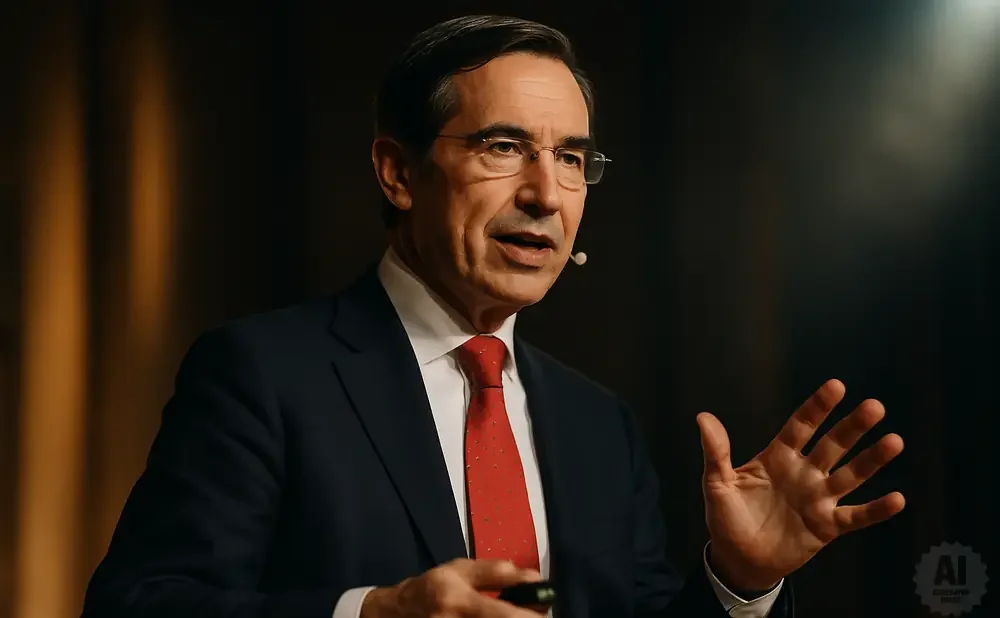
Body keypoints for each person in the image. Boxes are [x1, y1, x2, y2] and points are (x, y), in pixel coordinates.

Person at [80, 15, 906, 618]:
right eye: (503, 147)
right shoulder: (263, 374)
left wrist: (739, 581)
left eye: (573, 160)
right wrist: (376, 614)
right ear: (398, 173)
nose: (547, 194)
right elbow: (142, 603)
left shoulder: (596, 424)